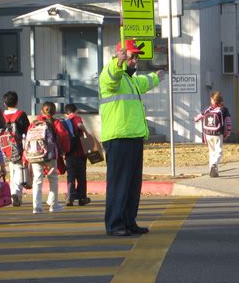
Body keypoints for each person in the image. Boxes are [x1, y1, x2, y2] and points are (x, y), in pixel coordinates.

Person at [99, 40, 164, 236]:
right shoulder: (110, 76)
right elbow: (111, 76)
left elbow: (146, 82)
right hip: (119, 138)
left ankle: (128, 221)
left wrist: (158, 76)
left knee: (132, 185)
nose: (135, 61)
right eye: (132, 56)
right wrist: (118, 63)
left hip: (133, 137)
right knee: (119, 184)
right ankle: (115, 224)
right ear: (120, 55)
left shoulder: (131, 81)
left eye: (136, 57)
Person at [25, 102, 70, 214]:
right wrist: (64, 150)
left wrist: (25, 156)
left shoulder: (34, 123)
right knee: (53, 179)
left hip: (35, 154)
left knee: (37, 180)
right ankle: (53, 205)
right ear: (54, 112)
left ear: (41, 111)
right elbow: (63, 136)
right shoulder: (56, 122)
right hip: (50, 155)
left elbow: (27, 139)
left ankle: (37, 207)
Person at [194, 91, 232, 177]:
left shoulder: (209, 109)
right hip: (218, 133)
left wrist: (196, 119)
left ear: (212, 100)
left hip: (208, 134)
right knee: (219, 152)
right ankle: (214, 165)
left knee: (211, 152)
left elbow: (200, 116)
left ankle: (213, 171)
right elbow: (228, 123)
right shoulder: (224, 109)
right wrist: (227, 133)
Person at [2, 91, 30, 206]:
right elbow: (27, 130)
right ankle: (15, 192)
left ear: (4, 103)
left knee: (12, 170)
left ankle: (15, 197)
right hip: (18, 145)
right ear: (17, 101)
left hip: (5, 147)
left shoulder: (1, 115)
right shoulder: (21, 114)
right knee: (19, 169)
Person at [63, 103, 90, 206]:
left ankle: (70, 197)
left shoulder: (65, 122)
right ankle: (82, 198)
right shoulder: (76, 118)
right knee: (81, 177)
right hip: (80, 153)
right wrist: (86, 132)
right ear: (76, 111)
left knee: (71, 176)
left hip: (69, 154)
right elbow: (79, 125)